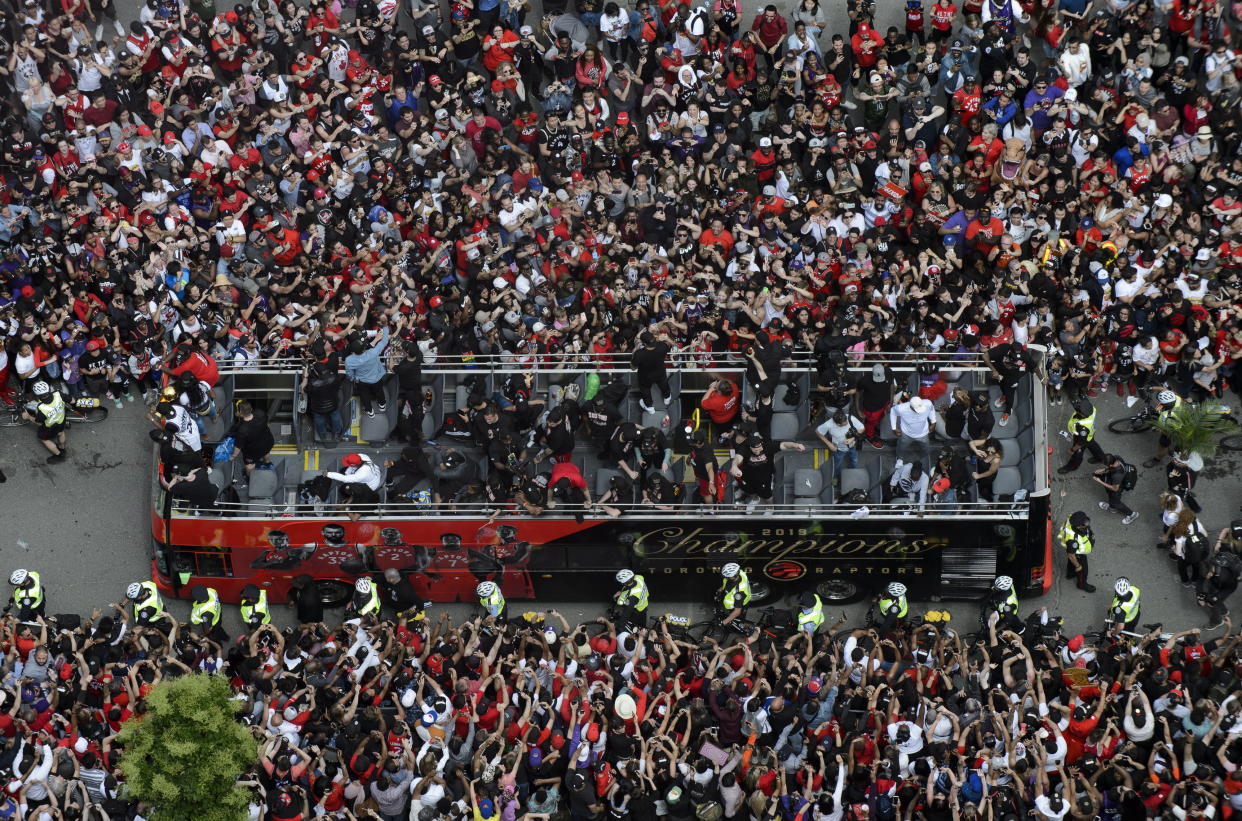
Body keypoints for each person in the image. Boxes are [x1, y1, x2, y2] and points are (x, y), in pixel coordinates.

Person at [345, 325, 392, 418]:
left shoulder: (349, 360)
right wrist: (386, 328)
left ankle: (370, 412)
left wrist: (353, 378)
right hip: (376, 379)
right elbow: (384, 341)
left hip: (361, 381)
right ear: (363, 348)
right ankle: (382, 405)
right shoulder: (373, 352)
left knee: (364, 396)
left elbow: (349, 373)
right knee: (379, 391)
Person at [325, 452, 383, 519]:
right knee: (343, 471)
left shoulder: (362, 475)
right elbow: (354, 492)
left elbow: (345, 479)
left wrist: (328, 474)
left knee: (342, 489)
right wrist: (346, 505)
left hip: (371, 485)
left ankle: (346, 504)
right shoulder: (361, 456)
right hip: (372, 476)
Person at [228, 401, 276, 480]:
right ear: (251, 409)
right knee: (266, 452)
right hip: (267, 442)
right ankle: (267, 464)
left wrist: (233, 456)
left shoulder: (242, 430)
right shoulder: (260, 413)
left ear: (240, 413)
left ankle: (250, 478)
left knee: (250, 465)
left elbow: (238, 447)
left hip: (252, 452)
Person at [23, 381, 68, 463]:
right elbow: (71, 400)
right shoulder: (58, 394)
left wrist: (28, 417)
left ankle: (59, 455)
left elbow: (39, 423)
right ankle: (62, 448)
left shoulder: (41, 408)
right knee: (61, 432)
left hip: (50, 427)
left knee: (43, 438)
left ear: (37, 395)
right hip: (61, 420)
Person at [1057, 397, 1106, 474]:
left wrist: (1072, 450)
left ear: (1083, 415)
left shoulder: (1082, 427)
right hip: (1090, 434)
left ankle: (1072, 466)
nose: (1076, 408)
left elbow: (1080, 443)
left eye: (1078, 410)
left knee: (1078, 453)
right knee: (1092, 444)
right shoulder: (1091, 409)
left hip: (1081, 438)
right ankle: (1101, 458)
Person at [1093, 453, 1139, 524]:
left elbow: (1115, 489)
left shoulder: (1117, 476)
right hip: (1119, 479)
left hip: (1118, 485)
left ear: (1111, 464)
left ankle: (1132, 515)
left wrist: (1099, 481)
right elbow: (1110, 468)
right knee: (1111, 495)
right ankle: (1112, 508)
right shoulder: (1117, 458)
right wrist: (1104, 470)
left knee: (1116, 502)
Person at [1143, 389, 1183, 468]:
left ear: (1166, 405)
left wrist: (1157, 429)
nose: (1160, 403)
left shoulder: (1168, 416)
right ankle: (1174, 450)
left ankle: (1157, 459)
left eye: (1161, 403)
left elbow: (1169, 432)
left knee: (1163, 445)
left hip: (1173, 430)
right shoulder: (1177, 398)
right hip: (1178, 424)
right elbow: (1167, 391)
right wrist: (1154, 387)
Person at [1061, 511, 1096, 592]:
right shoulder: (1072, 540)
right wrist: (1078, 566)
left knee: (1071, 562)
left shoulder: (1071, 519)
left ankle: (1070, 574)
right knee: (1083, 570)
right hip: (1078, 554)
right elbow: (1071, 555)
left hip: (1075, 551)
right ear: (1078, 526)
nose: (1086, 524)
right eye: (1084, 524)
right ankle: (1082, 584)